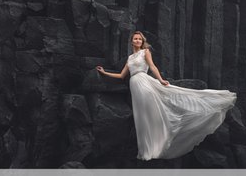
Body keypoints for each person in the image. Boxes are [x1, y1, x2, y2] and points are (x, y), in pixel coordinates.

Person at [96, 31, 237, 160]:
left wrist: (160, 80)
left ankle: (162, 141)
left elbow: (152, 67)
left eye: (140, 39)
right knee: (142, 117)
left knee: (153, 112)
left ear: (142, 41)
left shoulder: (145, 52)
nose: (138, 40)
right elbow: (121, 76)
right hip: (134, 85)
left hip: (144, 82)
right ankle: (147, 150)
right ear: (132, 41)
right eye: (135, 39)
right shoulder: (130, 58)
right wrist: (104, 72)